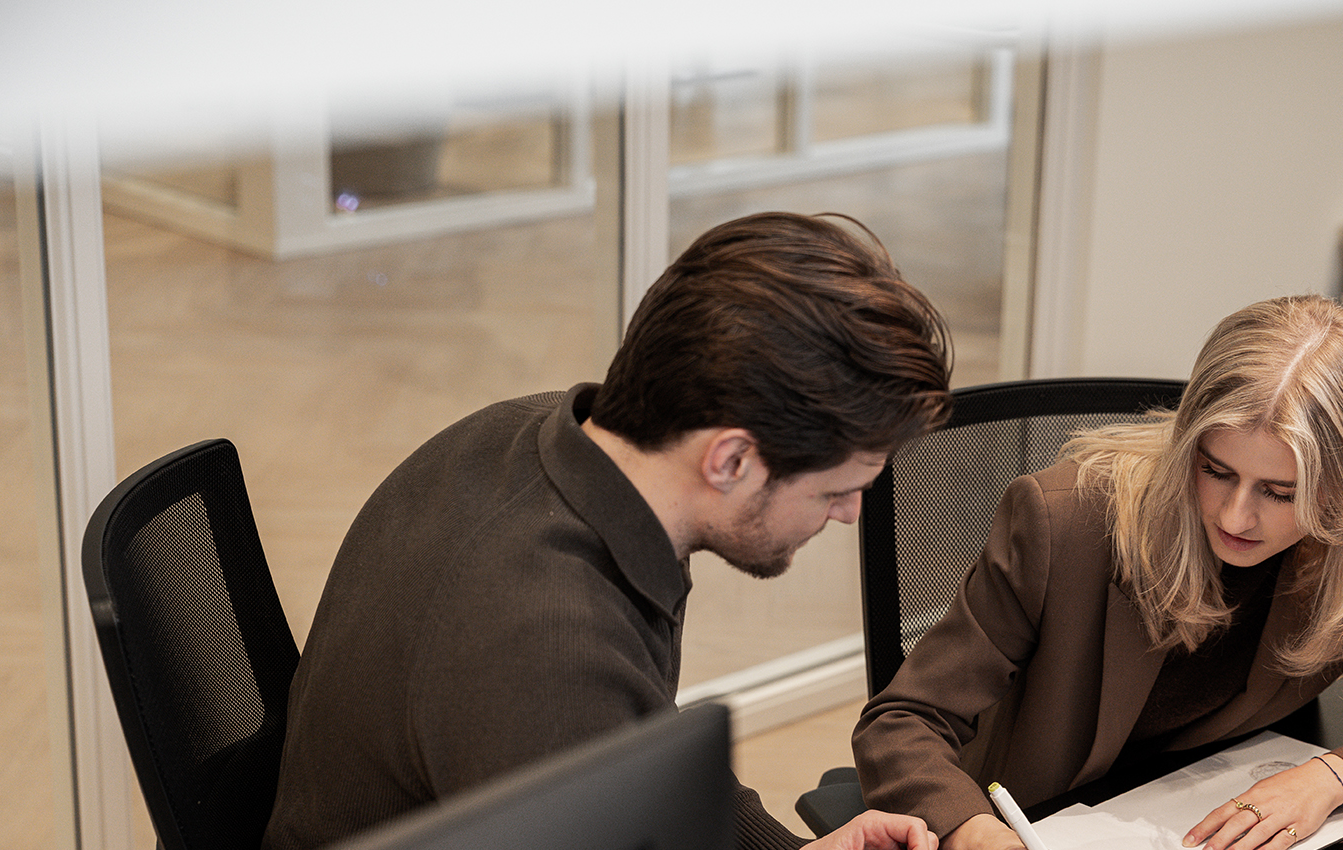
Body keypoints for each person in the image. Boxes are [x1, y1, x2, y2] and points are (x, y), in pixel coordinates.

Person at [263, 212, 952, 850]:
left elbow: (637, 738)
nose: (849, 513)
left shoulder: (537, 442)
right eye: (834, 490)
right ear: (730, 460)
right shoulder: (549, 652)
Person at [852, 295, 1343, 850]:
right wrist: (971, 830)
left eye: (1280, 492)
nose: (1236, 516)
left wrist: (1334, 778)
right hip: (1054, 818)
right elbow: (904, 720)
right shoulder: (1066, 522)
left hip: (1235, 797)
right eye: (1216, 471)